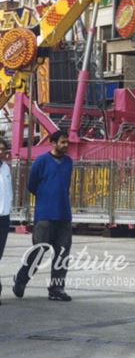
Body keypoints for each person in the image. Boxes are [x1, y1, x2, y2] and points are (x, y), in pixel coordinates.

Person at [13, 129, 73, 301]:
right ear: (53, 143)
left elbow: (65, 185)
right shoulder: (41, 161)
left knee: (62, 255)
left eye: (66, 142)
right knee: (38, 252)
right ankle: (21, 279)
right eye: (62, 142)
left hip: (64, 215)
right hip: (45, 215)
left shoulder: (69, 162)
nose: (66, 145)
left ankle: (56, 289)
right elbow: (32, 185)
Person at [0, 140, 12, 304]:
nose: (0, 151)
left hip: (3, 217)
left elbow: (8, 191)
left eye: (2, 149)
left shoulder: (6, 168)